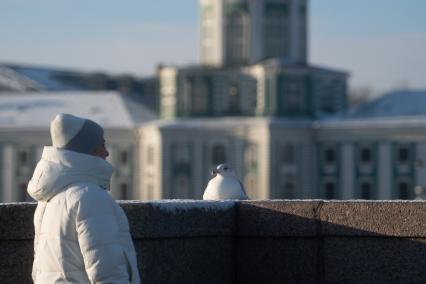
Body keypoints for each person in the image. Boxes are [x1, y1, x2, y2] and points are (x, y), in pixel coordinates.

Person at [27, 113, 140, 284]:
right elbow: (107, 271)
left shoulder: (47, 200)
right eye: (102, 144)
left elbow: (39, 270)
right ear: (88, 149)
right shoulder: (89, 197)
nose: (107, 152)